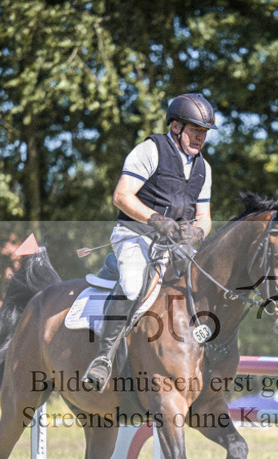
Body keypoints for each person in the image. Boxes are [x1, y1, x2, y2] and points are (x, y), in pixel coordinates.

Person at [83, 93, 217, 390]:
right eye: (195, 131)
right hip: (135, 235)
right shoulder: (150, 151)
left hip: (175, 244)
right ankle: (104, 358)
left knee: (206, 284)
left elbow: (204, 216)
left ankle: (207, 356)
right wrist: (156, 219)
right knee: (132, 284)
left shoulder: (203, 169)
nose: (200, 138)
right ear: (176, 128)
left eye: (204, 133)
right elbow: (121, 196)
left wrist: (197, 232)